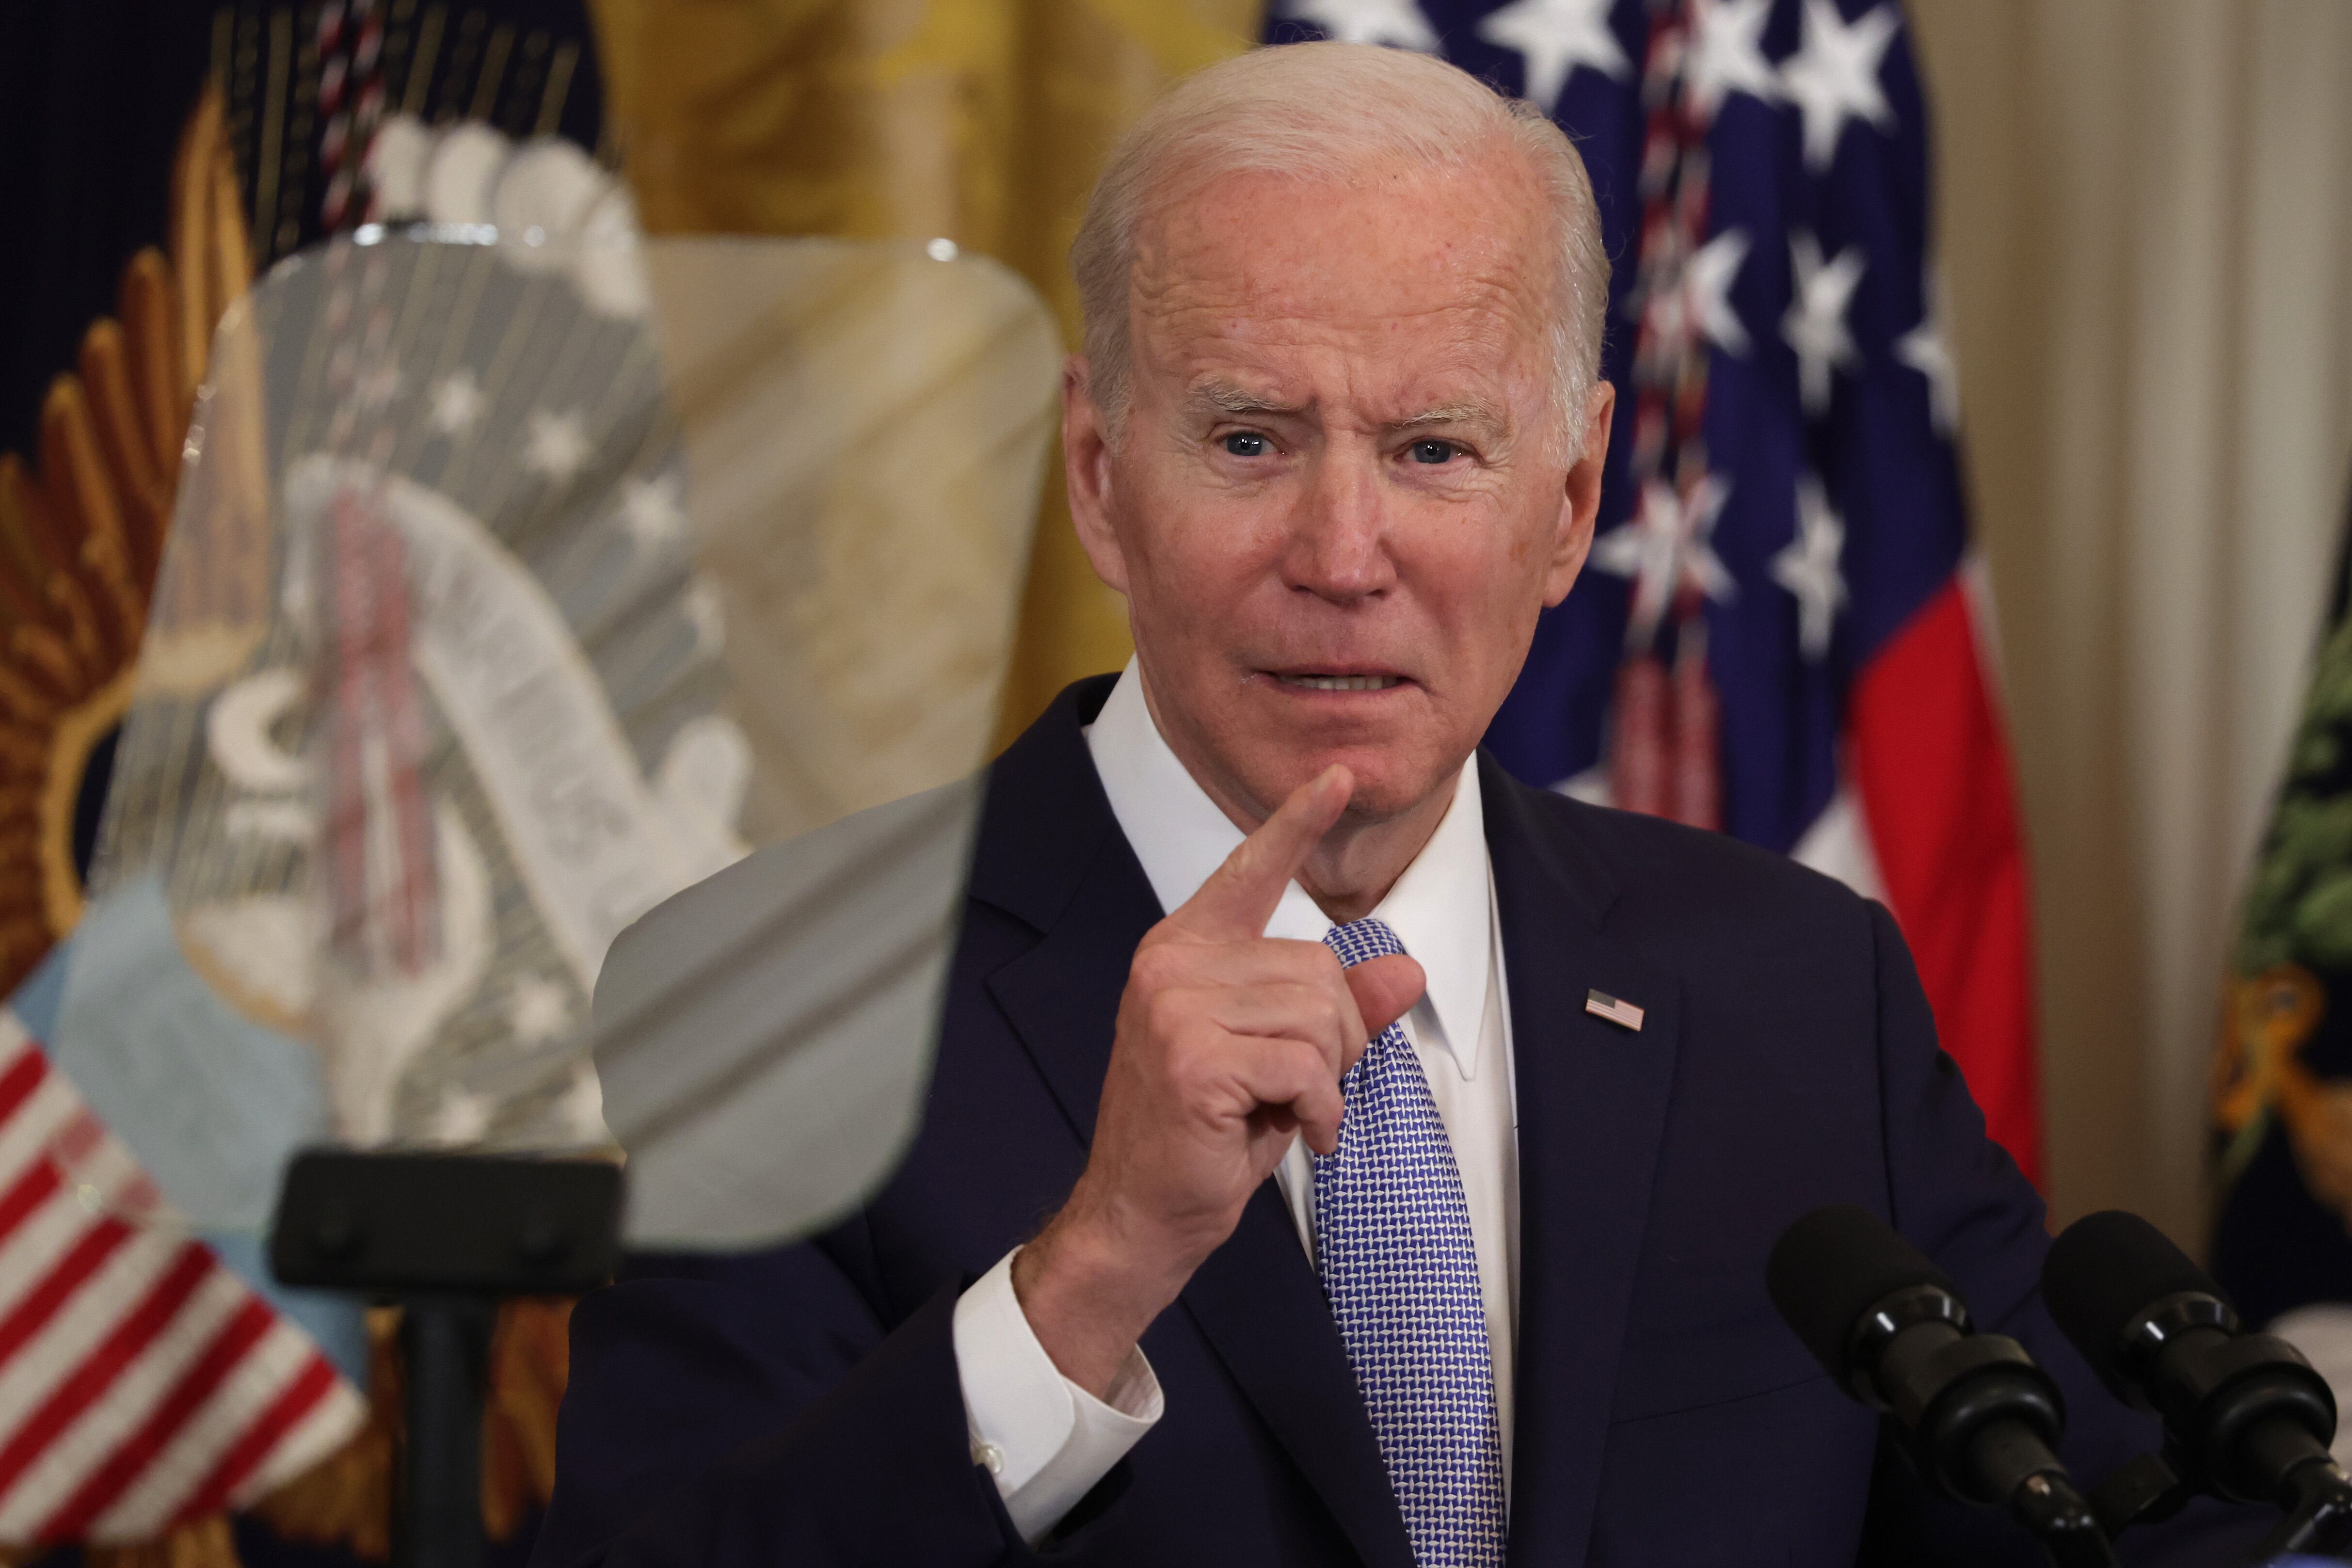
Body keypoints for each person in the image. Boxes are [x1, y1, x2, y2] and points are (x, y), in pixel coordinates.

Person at [534, 41, 2237, 1568]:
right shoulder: (772, 997)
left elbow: (2081, 1519)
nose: (1343, 558)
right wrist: (1092, 1272)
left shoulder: (1798, 989)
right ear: (1097, 475)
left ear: (1568, 500)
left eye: (1433, 448)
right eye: (1252, 439)